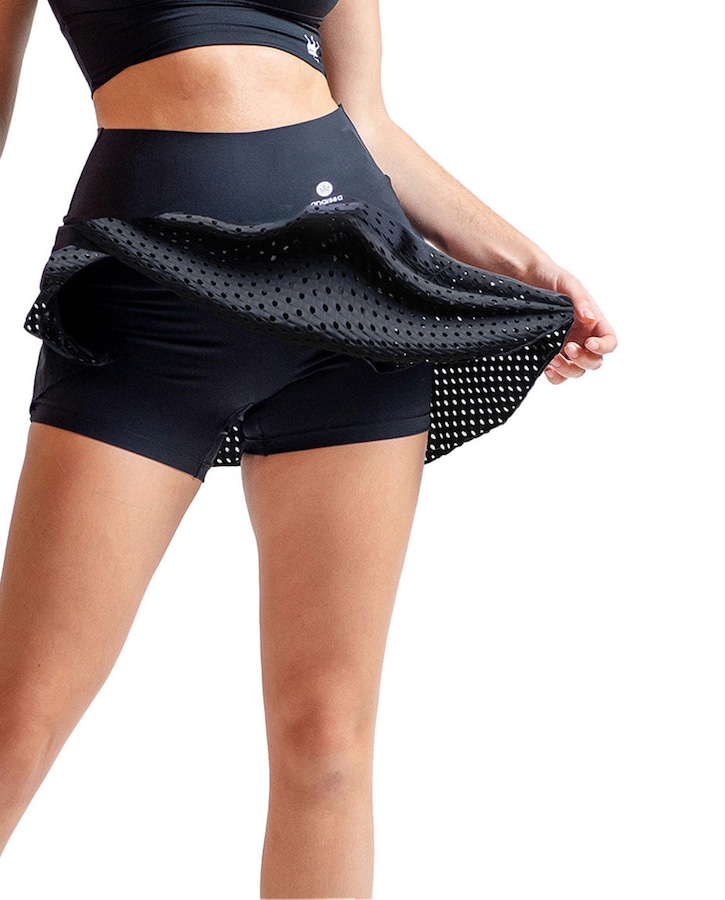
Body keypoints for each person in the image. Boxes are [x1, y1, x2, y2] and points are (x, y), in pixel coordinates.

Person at [0, 0, 617, 896]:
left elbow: (366, 118)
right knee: (19, 720)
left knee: (327, 738)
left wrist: (532, 267)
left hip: (357, 303)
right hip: (147, 294)